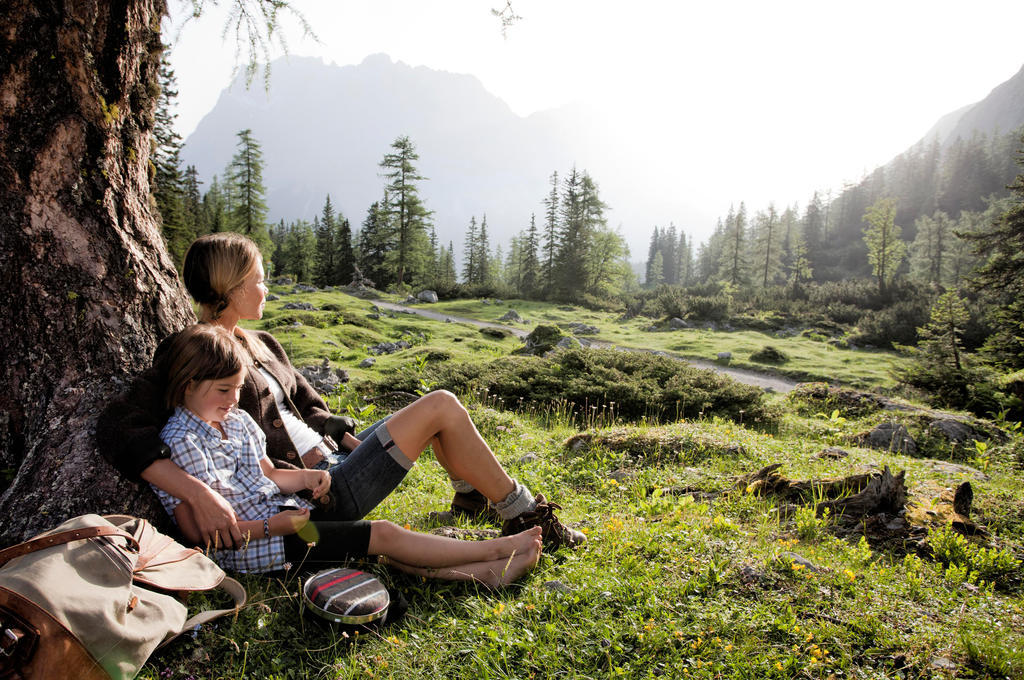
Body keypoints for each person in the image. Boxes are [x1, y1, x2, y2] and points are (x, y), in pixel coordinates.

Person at [97, 232, 584, 552]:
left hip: (332, 462)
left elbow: (308, 406)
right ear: (234, 286)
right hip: (315, 496)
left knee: (432, 412)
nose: (266, 290)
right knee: (440, 406)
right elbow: (120, 427)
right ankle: (521, 513)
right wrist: (196, 491)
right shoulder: (194, 355)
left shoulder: (262, 342)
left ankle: (470, 499)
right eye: (259, 280)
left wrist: (346, 436)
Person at [154, 324, 542, 587]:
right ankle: (497, 549)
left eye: (238, 389)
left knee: (359, 547)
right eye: (224, 390)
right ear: (188, 385)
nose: (234, 400)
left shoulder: (236, 420)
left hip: (290, 523)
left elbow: (268, 472)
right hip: (259, 549)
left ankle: (484, 573)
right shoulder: (182, 440)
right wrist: (276, 527)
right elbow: (197, 534)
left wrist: (306, 479)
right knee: (382, 535)